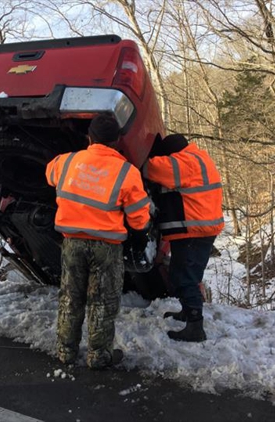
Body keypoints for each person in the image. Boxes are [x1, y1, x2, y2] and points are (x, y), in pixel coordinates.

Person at [46, 113, 151, 369]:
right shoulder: (127, 172)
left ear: (89, 137)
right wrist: (139, 231)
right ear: (116, 141)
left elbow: (49, 175)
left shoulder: (66, 162)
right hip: (106, 247)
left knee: (71, 296)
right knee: (102, 301)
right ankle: (98, 356)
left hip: (72, 244)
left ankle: (65, 351)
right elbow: (139, 218)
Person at [143, 134, 224, 342]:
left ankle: (195, 326)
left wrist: (146, 154)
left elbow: (150, 168)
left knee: (183, 277)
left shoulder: (184, 163)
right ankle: (188, 312)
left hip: (193, 230)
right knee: (190, 274)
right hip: (201, 229)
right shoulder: (199, 157)